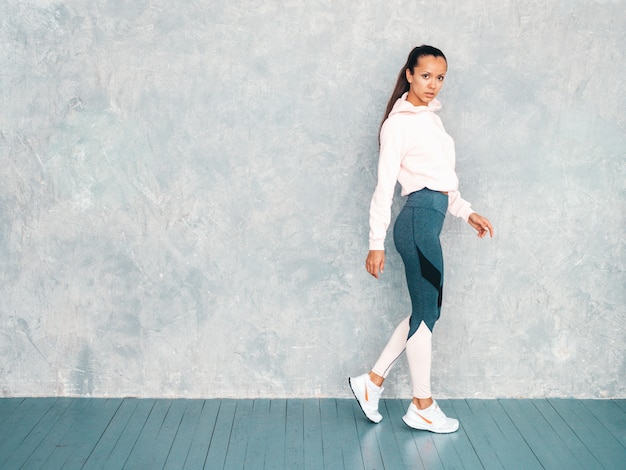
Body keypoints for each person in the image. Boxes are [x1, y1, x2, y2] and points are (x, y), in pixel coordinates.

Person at [349, 45, 494, 434]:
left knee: (425, 312)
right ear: (410, 74)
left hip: (430, 220)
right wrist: (374, 243)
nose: (433, 85)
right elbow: (383, 188)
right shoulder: (399, 123)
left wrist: (467, 212)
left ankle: (372, 381)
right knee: (427, 315)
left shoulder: (430, 120)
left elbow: (442, 181)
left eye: (441, 77)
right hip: (415, 225)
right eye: (426, 75)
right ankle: (422, 405)